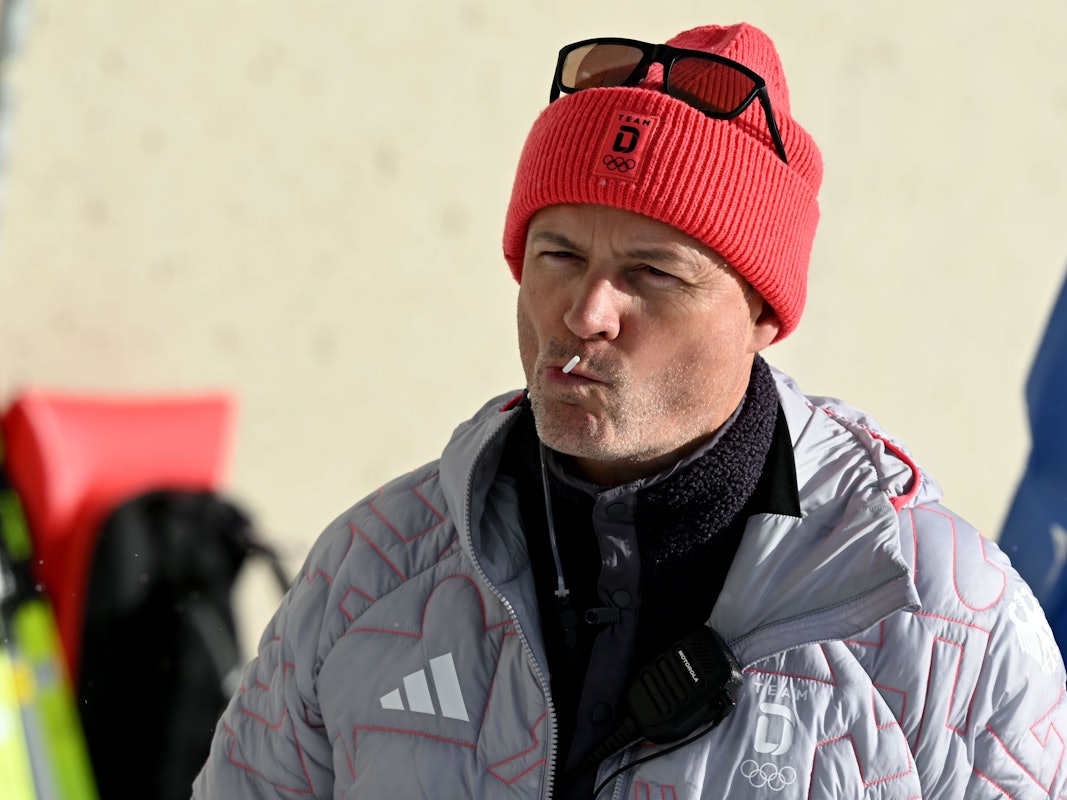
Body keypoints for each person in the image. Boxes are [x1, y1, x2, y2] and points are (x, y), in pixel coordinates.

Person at [192, 22, 1067, 799]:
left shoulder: (942, 624)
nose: (583, 312)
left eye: (653, 273)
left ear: (762, 313)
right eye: (558, 254)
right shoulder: (374, 572)